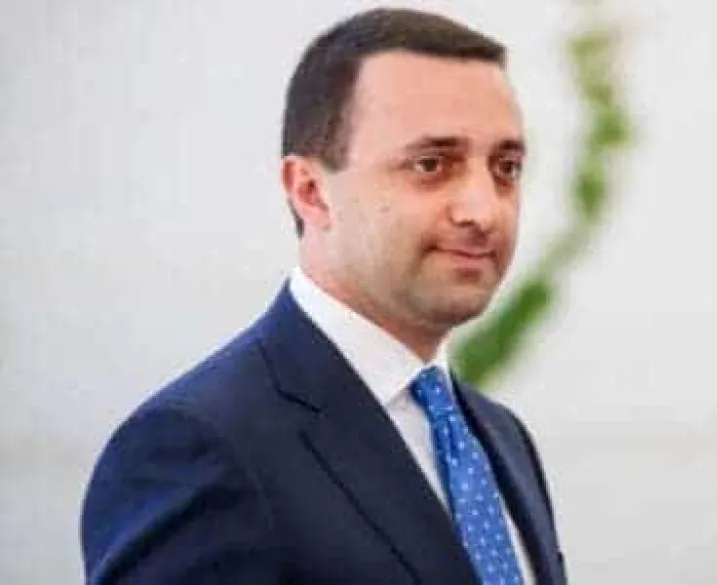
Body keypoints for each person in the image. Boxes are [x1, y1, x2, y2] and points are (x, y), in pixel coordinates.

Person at [80, 8, 567, 585]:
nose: (483, 210)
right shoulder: (201, 447)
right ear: (310, 191)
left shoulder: (498, 437)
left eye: (506, 168)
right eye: (432, 164)